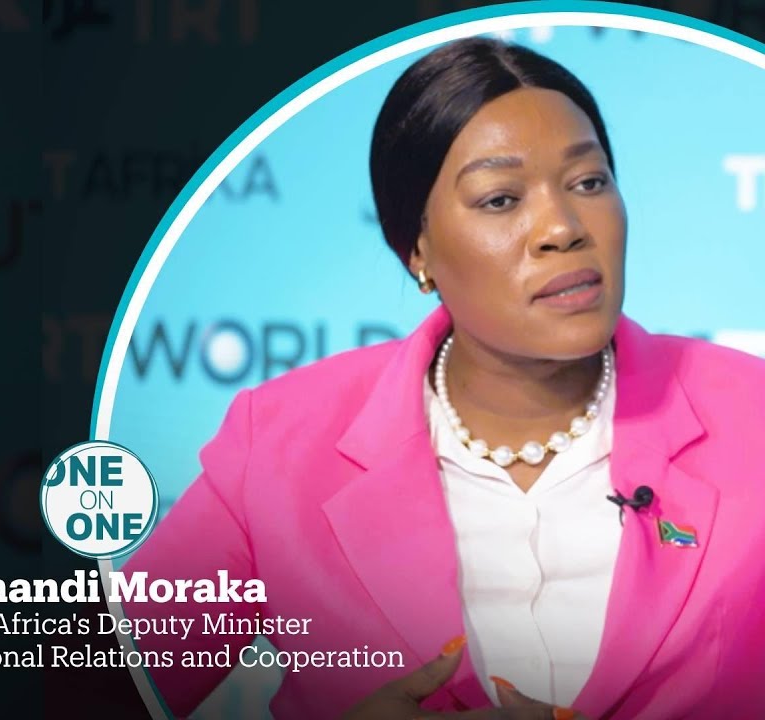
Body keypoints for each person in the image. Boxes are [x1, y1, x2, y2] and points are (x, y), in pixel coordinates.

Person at [120, 36, 765, 719]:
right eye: (500, 199)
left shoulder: (752, 415)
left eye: (589, 182)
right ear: (417, 249)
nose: (563, 228)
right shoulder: (279, 445)